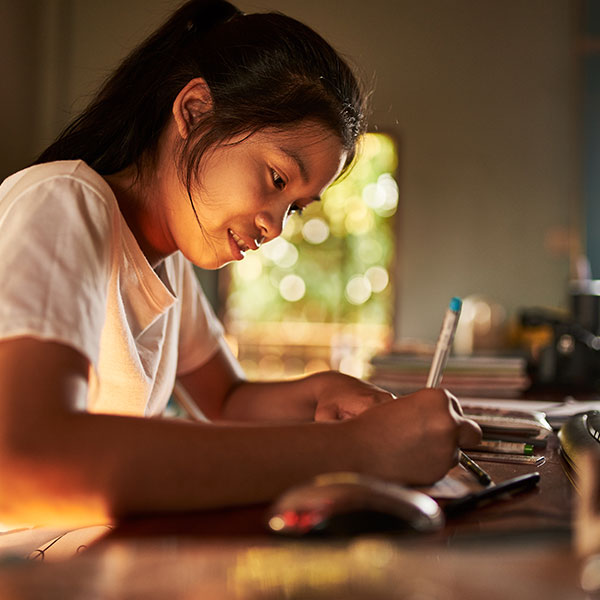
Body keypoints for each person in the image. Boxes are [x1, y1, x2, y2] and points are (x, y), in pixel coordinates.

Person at [0, 0, 480, 531]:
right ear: (196, 110)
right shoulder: (64, 201)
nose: (276, 227)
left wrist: (324, 390)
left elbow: (226, 399)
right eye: (277, 179)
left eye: (295, 207)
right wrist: (357, 449)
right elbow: (23, 462)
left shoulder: (167, 264)